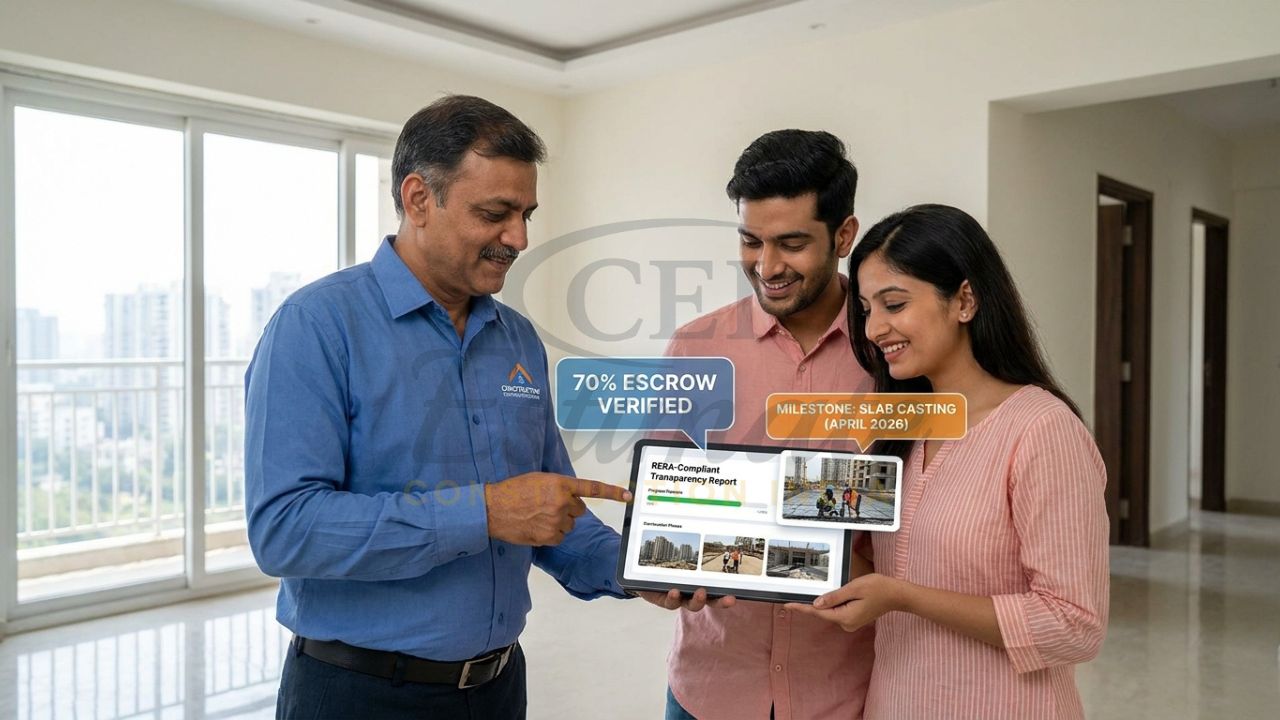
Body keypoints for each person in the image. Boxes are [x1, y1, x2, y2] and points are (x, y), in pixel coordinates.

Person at [244, 95, 632, 720]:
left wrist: (637, 566)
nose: (520, 238)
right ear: (419, 198)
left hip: (500, 688)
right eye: (496, 213)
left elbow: (548, 507)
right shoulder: (314, 326)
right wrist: (483, 512)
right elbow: (284, 530)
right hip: (358, 694)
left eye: (527, 214)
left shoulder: (519, 339)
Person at [786, 204, 1109, 718]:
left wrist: (905, 598)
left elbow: (1074, 625)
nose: (874, 329)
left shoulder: (1042, 431)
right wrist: (766, 529)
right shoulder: (899, 424)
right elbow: (888, 569)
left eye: (894, 304)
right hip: (895, 703)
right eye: (867, 309)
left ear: (964, 299)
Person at [640, 129, 874, 720]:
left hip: (845, 692)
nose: (767, 266)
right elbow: (660, 504)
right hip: (711, 688)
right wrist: (653, 569)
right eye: (751, 241)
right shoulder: (696, 349)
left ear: (843, 235)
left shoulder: (894, 354)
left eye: (792, 243)